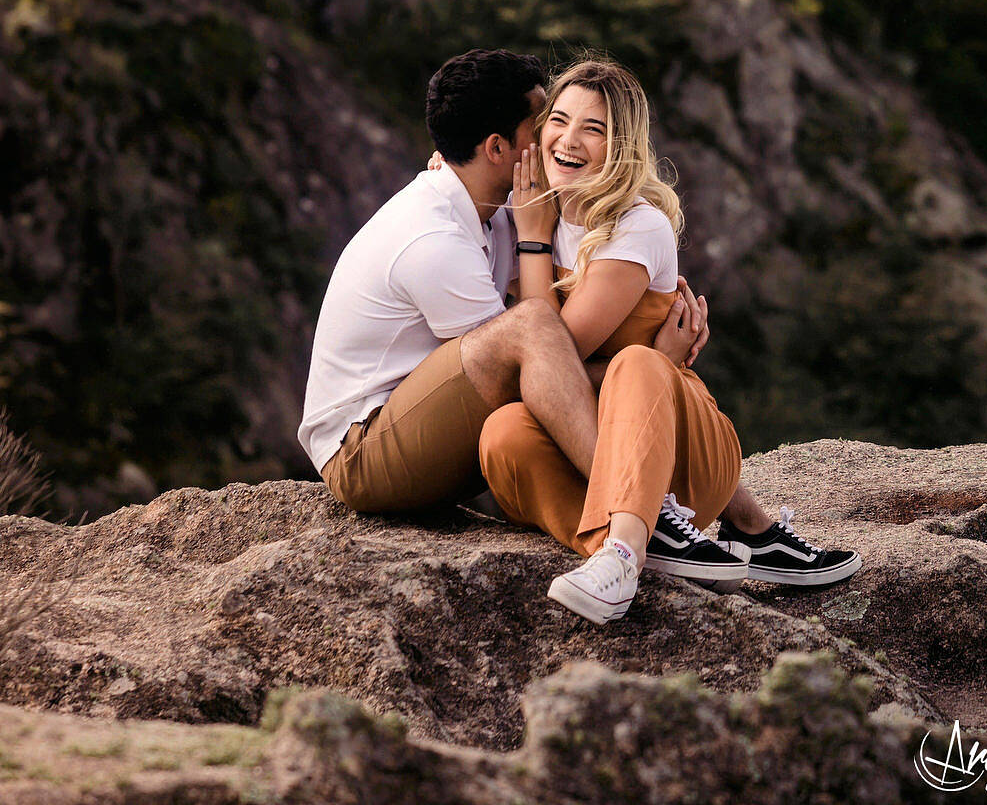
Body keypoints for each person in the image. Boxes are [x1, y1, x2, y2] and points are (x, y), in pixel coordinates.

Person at [297, 48, 706, 603]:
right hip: (365, 451)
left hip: (418, 420)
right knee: (531, 328)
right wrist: (655, 359)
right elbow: (534, 370)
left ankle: (678, 524)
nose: (557, 140)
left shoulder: (491, 205)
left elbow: (549, 368)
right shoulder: (433, 239)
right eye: (544, 122)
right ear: (497, 149)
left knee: (533, 345)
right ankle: (640, 511)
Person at [464, 58, 862, 624]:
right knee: (503, 434)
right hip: (594, 451)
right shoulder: (530, 204)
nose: (568, 141)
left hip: (683, 453)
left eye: (594, 129)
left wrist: (531, 245)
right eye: (559, 119)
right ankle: (650, 548)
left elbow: (555, 356)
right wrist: (448, 169)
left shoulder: (637, 225)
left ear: (622, 145)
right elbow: (460, 193)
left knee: (635, 365)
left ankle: (626, 553)